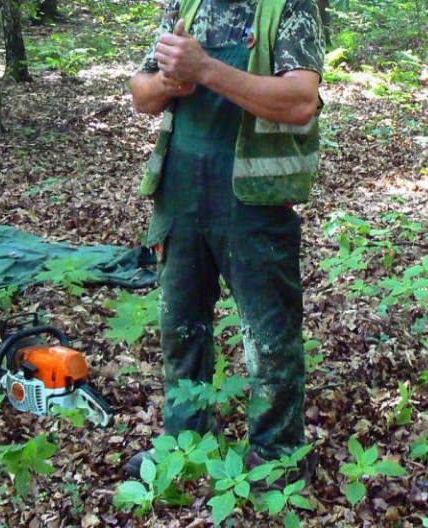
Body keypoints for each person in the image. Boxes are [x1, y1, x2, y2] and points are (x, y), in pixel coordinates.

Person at [125, 0, 325, 481]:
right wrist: (168, 83)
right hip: (180, 189)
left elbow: (300, 101)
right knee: (181, 327)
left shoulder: (290, 7)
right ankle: (185, 442)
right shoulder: (186, 6)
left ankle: (278, 456)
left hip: (254, 199)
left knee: (269, 335)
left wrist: (208, 70)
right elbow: (141, 93)